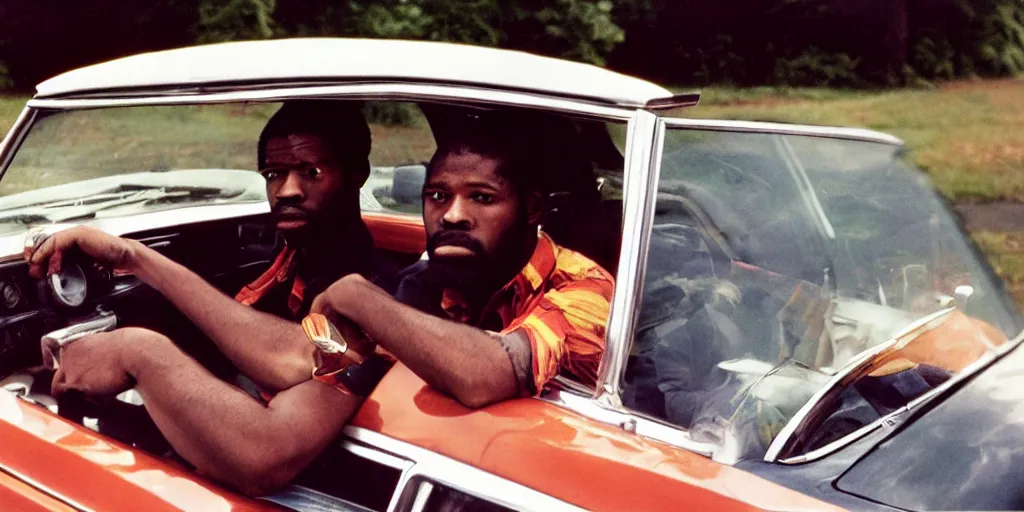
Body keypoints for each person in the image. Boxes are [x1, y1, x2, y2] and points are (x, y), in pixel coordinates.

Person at [25, 111, 615, 495]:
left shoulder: (584, 288)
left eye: (480, 198)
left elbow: (491, 370)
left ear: (533, 209)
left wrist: (360, 298)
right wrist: (137, 262)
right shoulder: (426, 287)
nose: (453, 215)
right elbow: (308, 361)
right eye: (437, 196)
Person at [24, 100, 377, 495]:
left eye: (311, 172)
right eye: (274, 173)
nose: (287, 190)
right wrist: (128, 259)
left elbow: (298, 361)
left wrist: (136, 342)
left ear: (357, 174)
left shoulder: (375, 290)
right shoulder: (288, 260)